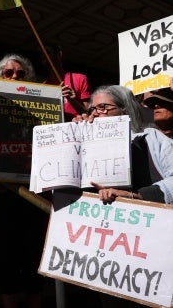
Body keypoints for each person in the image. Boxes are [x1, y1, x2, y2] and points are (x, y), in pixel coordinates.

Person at [72, 84, 173, 307]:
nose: (97, 113)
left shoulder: (152, 139)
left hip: (146, 244)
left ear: (125, 110)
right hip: (104, 246)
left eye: (103, 107)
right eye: (93, 109)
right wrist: (73, 138)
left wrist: (139, 196)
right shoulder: (84, 137)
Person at [0, 52, 49, 308]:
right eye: (8, 73)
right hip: (1, 192)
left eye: (20, 73)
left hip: (37, 192)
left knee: (35, 252)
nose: (15, 76)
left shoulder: (44, 104)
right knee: (5, 254)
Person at [41, 44, 92, 122]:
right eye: (42, 55)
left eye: (48, 52)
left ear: (59, 54)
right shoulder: (43, 86)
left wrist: (73, 100)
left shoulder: (80, 78)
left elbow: (88, 114)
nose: (45, 56)